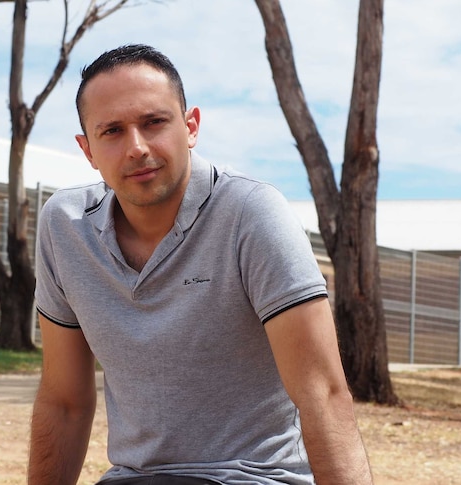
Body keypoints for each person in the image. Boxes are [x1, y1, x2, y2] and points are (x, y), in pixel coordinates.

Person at [28, 44, 373, 485]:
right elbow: (63, 402)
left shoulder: (252, 214)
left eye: (154, 122)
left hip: (256, 477)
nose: (136, 147)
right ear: (88, 150)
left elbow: (322, 393)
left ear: (190, 126)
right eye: (112, 131)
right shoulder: (65, 226)